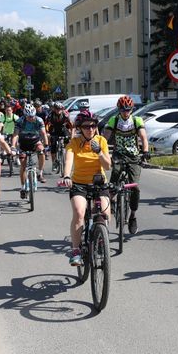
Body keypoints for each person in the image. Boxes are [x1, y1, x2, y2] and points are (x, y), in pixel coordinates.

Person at [61, 110, 111, 266]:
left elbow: (107, 166)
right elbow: (68, 160)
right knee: (79, 212)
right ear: (79, 128)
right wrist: (66, 176)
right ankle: (76, 250)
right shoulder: (74, 143)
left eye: (93, 126)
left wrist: (99, 152)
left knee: (105, 213)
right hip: (79, 184)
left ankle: (101, 240)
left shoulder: (101, 141)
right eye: (86, 126)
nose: (90, 129)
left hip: (99, 183)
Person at [103, 95, 150, 234]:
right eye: (123, 110)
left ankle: (133, 216)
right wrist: (102, 151)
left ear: (131, 109)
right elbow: (105, 138)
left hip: (133, 156)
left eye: (128, 110)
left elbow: (143, 137)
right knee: (114, 180)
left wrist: (145, 151)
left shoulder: (136, 120)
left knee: (135, 188)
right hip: (118, 154)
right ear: (119, 110)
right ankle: (110, 202)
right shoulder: (114, 120)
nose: (125, 112)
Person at [12, 104, 49, 198]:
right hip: (23, 143)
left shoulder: (39, 120)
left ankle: (40, 173)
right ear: (25, 115)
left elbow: (43, 133)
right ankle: (23, 187)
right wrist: (13, 146)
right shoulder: (20, 121)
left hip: (35, 141)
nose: (31, 118)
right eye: (29, 116)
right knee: (23, 166)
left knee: (41, 151)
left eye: (32, 116)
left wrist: (46, 145)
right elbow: (15, 135)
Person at [47, 102, 73, 170]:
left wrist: (72, 133)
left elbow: (70, 124)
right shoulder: (51, 114)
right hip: (54, 129)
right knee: (53, 145)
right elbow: (46, 124)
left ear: (62, 109)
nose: (58, 110)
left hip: (62, 128)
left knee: (67, 140)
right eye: (57, 109)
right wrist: (47, 133)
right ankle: (54, 163)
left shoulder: (65, 114)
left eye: (60, 109)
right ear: (54, 109)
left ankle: (66, 154)